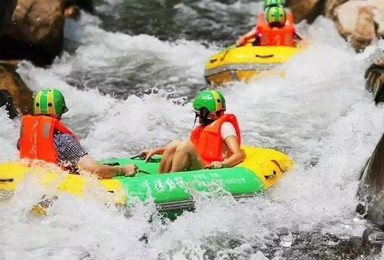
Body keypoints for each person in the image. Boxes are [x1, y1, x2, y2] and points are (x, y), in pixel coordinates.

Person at [17, 88, 137, 179]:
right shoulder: (64, 141)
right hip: (57, 187)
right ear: (60, 111)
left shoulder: (24, 137)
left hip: (34, 180)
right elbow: (96, 171)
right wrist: (122, 169)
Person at [140, 90, 246, 173]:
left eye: (199, 113)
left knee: (185, 145)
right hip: (202, 164)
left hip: (210, 170)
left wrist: (223, 164)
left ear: (207, 113)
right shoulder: (203, 129)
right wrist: (155, 151)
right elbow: (184, 149)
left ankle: (173, 179)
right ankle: (161, 178)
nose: (198, 117)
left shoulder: (225, 126)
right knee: (174, 144)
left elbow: (239, 154)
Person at [236, 5, 302, 47]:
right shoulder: (290, 30)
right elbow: (301, 41)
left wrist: (241, 40)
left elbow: (245, 37)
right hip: (283, 53)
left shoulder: (260, 28)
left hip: (262, 52)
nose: (276, 27)